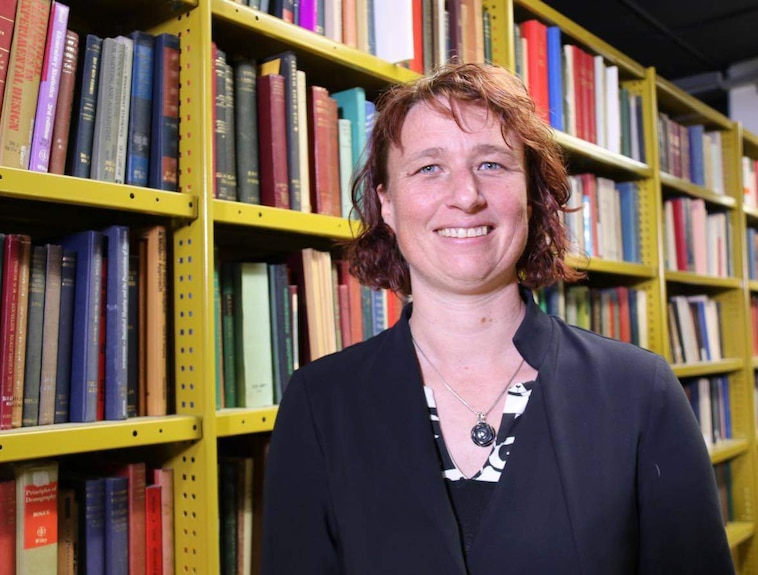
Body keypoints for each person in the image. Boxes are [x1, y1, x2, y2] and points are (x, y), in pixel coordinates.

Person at [260, 62, 734, 574]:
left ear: (531, 195)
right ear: (388, 204)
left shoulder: (641, 390)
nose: (466, 196)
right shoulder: (320, 401)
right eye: (428, 167)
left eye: (491, 164)